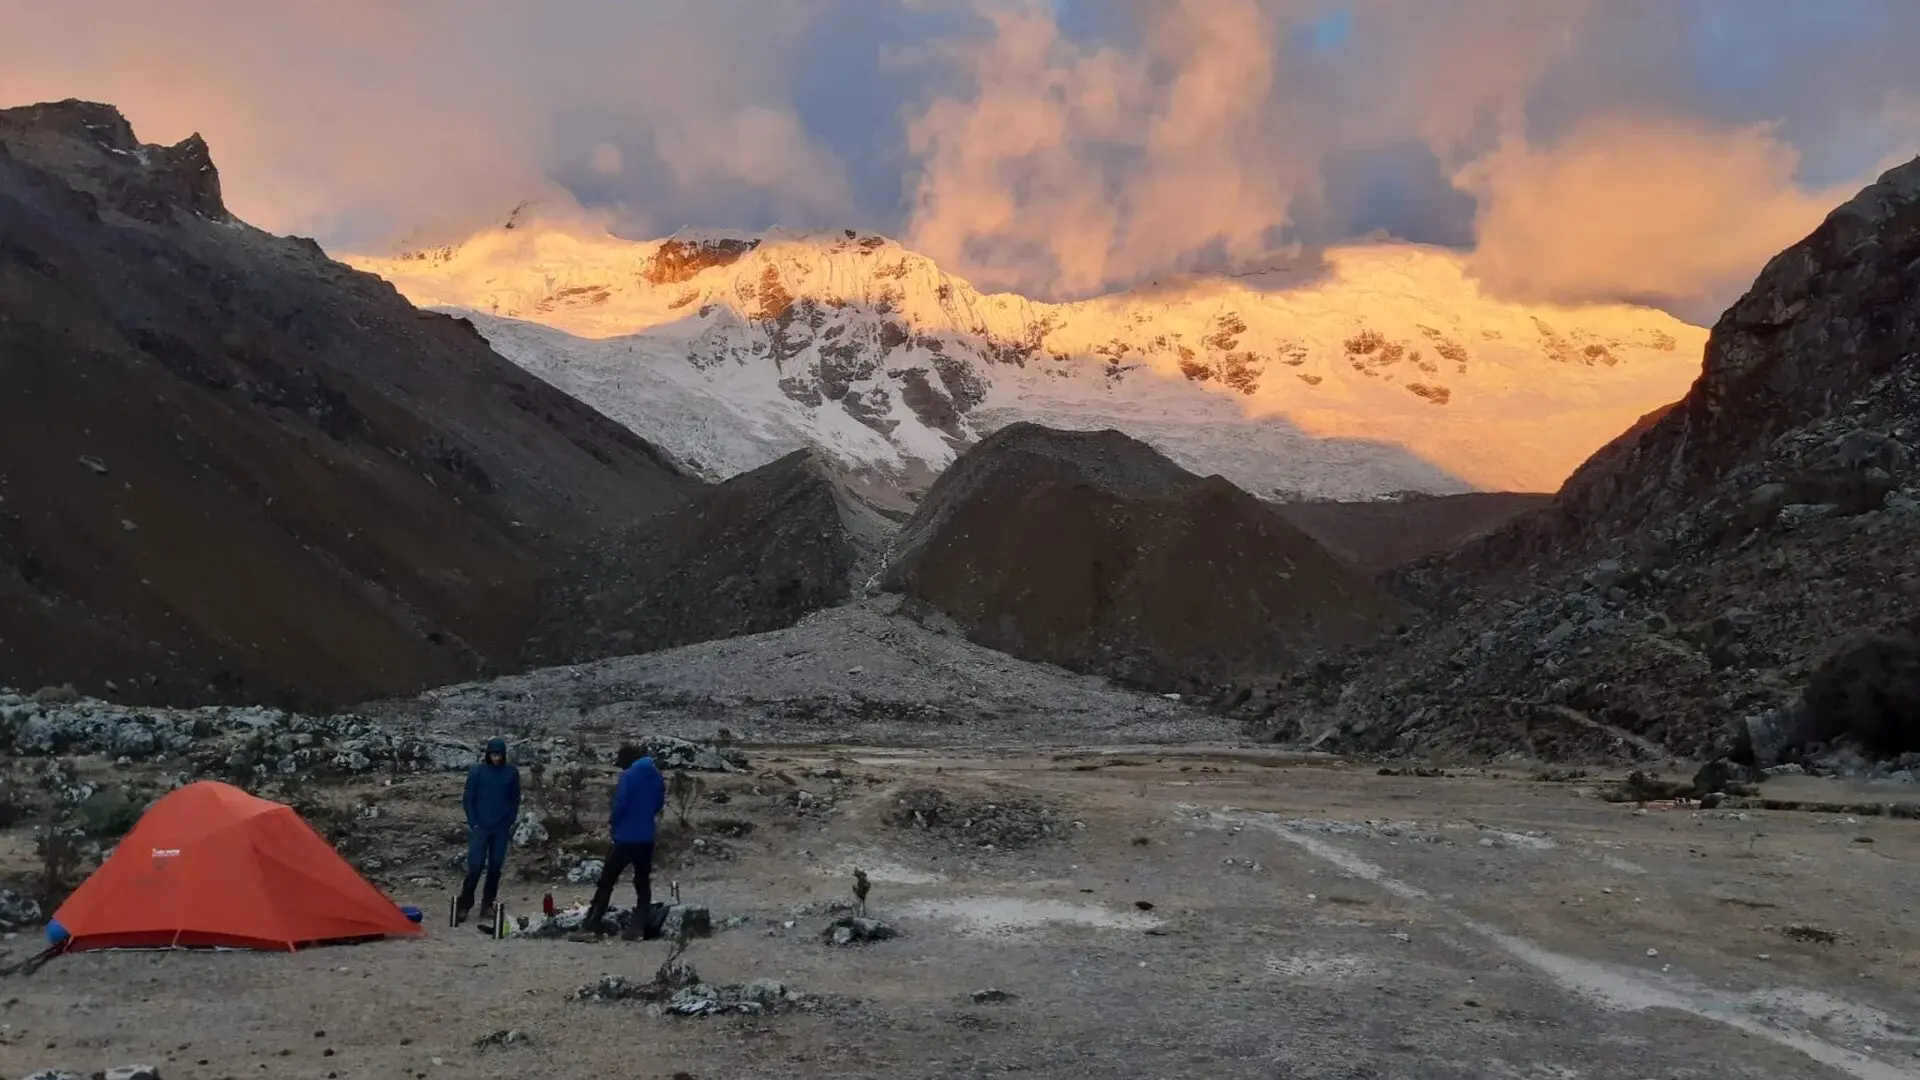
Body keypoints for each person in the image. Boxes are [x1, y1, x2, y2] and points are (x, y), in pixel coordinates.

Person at [582, 743, 665, 939]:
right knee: (642, 882)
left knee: (607, 880)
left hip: (625, 837)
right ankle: (638, 928)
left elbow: (621, 804)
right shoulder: (656, 775)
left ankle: (592, 924)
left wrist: (614, 822)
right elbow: (658, 803)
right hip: (646, 837)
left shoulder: (628, 777)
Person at [456, 736, 520, 925]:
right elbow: (469, 799)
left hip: (500, 827)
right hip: (481, 827)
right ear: (487, 754)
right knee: (475, 866)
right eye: (493, 754)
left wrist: (510, 820)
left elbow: (514, 798)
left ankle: (487, 904)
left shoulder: (511, 772)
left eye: (499, 755)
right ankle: (464, 904)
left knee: (495, 867)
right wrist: (473, 822)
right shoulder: (477, 771)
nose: (496, 758)